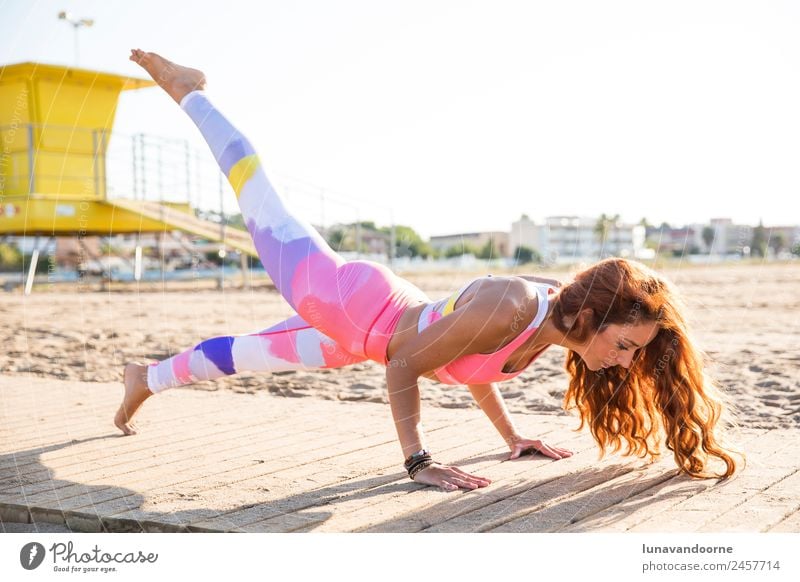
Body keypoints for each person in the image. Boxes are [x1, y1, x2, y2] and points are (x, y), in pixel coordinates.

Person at [116, 49, 743, 491]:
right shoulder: (513, 303)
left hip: (364, 333)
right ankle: (190, 90)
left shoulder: (547, 324)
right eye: (627, 344)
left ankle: (144, 376)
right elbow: (405, 363)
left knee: (241, 357)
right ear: (590, 315)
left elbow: (473, 366)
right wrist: (418, 462)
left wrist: (512, 437)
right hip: (342, 301)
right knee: (258, 194)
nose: (628, 360)